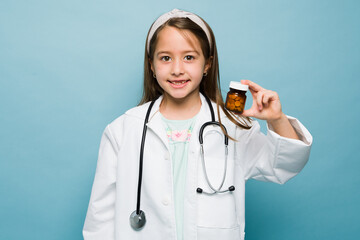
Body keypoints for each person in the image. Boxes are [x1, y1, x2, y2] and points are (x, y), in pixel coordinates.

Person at [83, 8, 312, 240]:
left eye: (189, 57)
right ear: (151, 65)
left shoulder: (230, 126)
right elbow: (100, 219)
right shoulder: (123, 130)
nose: (177, 69)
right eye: (165, 58)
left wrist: (277, 119)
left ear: (207, 65)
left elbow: (283, 166)